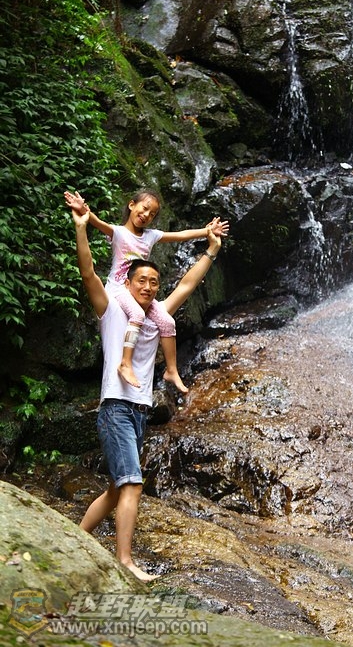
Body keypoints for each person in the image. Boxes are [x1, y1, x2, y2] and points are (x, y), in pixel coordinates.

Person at [71, 203, 223, 581]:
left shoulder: (158, 318)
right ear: (127, 283)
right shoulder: (112, 311)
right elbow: (88, 272)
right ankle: (125, 562)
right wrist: (82, 228)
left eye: (154, 282)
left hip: (140, 410)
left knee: (115, 488)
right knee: (133, 484)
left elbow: (187, 284)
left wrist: (211, 250)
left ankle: (73, 539)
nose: (148, 287)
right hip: (116, 407)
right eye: (141, 280)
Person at [64, 189, 228, 394]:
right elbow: (96, 222)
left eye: (152, 214)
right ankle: (125, 363)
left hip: (136, 295)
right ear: (132, 205)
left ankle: (171, 370)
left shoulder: (151, 236)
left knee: (167, 321)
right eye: (144, 208)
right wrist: (83, 209)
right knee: (137, 314)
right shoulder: (119, 233)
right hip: (119, 289)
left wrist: (207, 231)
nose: (146, 215)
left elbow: (180, 235)